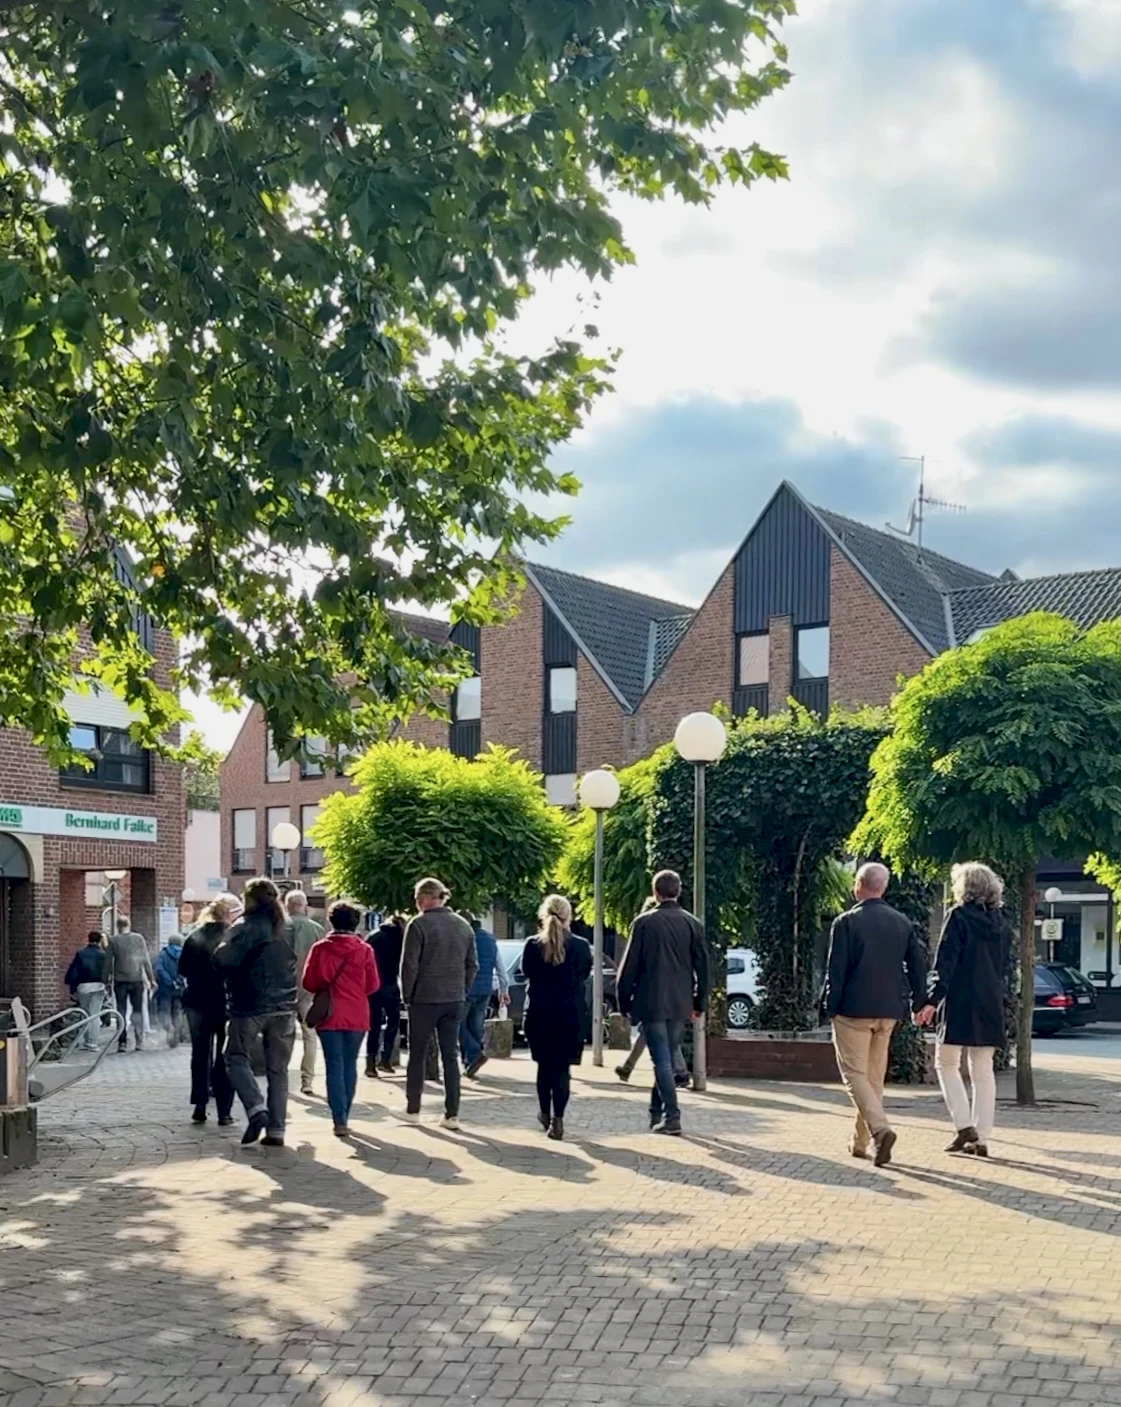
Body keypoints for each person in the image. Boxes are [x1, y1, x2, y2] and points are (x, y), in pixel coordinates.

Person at [821, 861, 928, 1167]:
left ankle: (880, 1131)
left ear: (858, 885)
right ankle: (860, 1143)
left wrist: (830, 1007)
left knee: (854, 1075)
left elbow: (836, 970)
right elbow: (917, 967)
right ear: (884, 887)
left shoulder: (845, 922)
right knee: (873, 1078)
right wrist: (919, 1003)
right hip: (888, 1010)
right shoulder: (902, 922)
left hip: (852, 1010)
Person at [916, 862, 1010, 1159]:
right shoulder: (1001, 921)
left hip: (960, 998)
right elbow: (1006, 966)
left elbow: (946, 961)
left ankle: (963, 1125)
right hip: (990, 1000)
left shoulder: (958, 916)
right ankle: (981, 1137)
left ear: (963, 887)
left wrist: (932, 1000)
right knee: (983, 1070)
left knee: (946, 1063)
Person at [617, 870, 710, 1136]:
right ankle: (655, 1112)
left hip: (651, 1002)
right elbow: (703, 967)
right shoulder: (692, 924)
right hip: (681, 1003)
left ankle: (672, 1116)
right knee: (666, 1057)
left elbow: (629, 967)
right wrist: (700, 1002)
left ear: (655, 892)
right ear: (678, 891)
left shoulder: (644, 923)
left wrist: (624, 1003)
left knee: (662, 1061)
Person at [216, 877, 298, 1147]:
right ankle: (277, 1130)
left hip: (248, 1004)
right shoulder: (286, 928)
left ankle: (255, 1107)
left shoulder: (244, 927)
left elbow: (224, 959)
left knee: (235, 1057)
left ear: (250, 899)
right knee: (278, 1070)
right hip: (285, 1006)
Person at [399, 877, 478, 1130]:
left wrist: (407, 997)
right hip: (454, 999)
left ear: (424, 897)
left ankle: (413, 1110)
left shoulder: (418, 924)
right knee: (450, 1055)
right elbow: (472, 965)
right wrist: (462, 990)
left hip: (423, 999)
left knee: (417, 1055)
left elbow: (409, 966)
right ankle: (452, 1114)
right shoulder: (463, 925)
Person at [302, 900, 380, 1137]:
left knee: (333, 1065)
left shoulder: (320, 949)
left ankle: (339, 1118)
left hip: (329, 1014)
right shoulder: (365, 950)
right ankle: (345, 1111)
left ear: (331, 921)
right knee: (350, 1064)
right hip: (357, 1013)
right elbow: (373, 985)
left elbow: (309, 982)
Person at [522, 895, 592, 1140]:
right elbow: (584, 974)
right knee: (562, 1069)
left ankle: (544, 1112)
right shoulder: (581, 946)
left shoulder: (532, 945)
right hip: (571, 1015)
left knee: (544, 1067)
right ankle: (558, 1119)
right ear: (568, 916)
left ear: (543, 915)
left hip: (539, 1014)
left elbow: (527, 972)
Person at [615, 898, 689, 1089]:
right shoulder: (678, 930)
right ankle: (631, 1068)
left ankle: (678, 1074)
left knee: (655, 1037)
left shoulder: (646, 929)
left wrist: (626, 1001)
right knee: (658, 1036)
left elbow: (632, 967)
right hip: (675, 995)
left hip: (652, 996)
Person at [180, 896, 238, 1126]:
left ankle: (200, 1104)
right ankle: (224, 1111)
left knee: (200, 1053)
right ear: (228, 914)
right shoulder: (233, 937)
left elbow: (183, 969)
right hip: (225, 1002)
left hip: (197, 1001)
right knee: (225, 1055)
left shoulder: (194, 936)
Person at [460, 913, 509, 1079]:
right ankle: (469, 1063)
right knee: (475, 1026)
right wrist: (503, 989)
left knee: (458, 1026)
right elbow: (500, 966)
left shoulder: (465, 937)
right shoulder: (490, 939)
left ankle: (474, 1055)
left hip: (466, 989)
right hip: (485, 990)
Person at [284, 890, 324, 1095]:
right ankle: (307, 1080)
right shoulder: (317, 929)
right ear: (305, 906)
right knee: (310, 1035)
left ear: (287, 906)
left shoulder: (279, 927)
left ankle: (282, 1077)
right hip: (308, 990)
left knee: (282, 1035)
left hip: (283, 990)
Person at [109, 916, 156, 1053]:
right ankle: (139, 1041)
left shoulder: (114, 940)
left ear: (117, 926)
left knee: (121, 1011)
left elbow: (108, 962)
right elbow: (145, 960)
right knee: (137, 1011)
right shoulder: (138, 938)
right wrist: (151, 979)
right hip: (136, 980)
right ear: (129, 924)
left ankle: (122, 1042)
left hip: (120, 981)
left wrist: (106, 980)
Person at [366, 913, 405, 1076]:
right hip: (391, 985)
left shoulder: (373, 936)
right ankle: (386, 1058)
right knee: (393, 1022)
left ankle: (370, 1063)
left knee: (373, 1025)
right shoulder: (401, 938)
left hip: (373, 985)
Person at [65, 931, 112, 1051]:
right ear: (100, 940)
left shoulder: (81, 953)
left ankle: (86, 1040)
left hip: (83, 987)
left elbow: (74, 971)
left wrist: (72, 989)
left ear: (88, 939)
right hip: (99, 986)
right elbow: (108, 971)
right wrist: (107, 985)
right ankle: (93, 1042)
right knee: (95, 1015)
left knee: (85, 1013)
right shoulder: (103, 955)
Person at [153, 933, 186, 1046]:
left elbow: (159, 969)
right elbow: (187, 970)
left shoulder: (162, 954)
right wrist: (178, 981)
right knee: (177, 1012)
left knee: (164, 1011)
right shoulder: (184, 955)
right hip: (179, 989)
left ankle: (168, 1028)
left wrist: (169, 981)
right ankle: (175, 1035)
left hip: (165, 989)